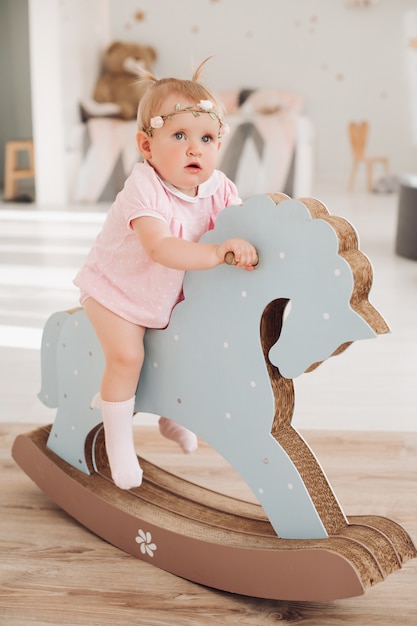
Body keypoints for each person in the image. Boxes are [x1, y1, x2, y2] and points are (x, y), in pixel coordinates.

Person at [74, 59, 258, 490]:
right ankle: (119, 445)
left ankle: (174, 415)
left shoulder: (221, 189)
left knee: (194, 344)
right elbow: (159, 247)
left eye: (207, 138)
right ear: (147, 145)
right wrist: (216, 253)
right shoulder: (144, 186)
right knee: (127, 357)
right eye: (179, 136)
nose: (196, 149)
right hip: (116, 291)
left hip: (167, 294)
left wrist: (247, 244)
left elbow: (240, 227)